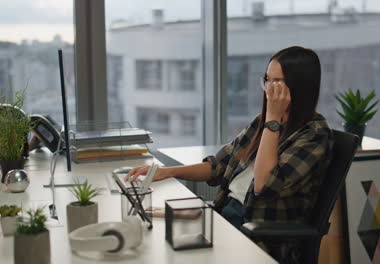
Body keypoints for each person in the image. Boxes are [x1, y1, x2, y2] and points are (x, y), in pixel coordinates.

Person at [126, 46, 334, 263]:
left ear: (299, 87)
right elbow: (219, 166)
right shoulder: (262, 123)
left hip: (259, 233)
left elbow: (264, 184)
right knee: (148, 241)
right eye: (267, 80)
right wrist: (168, 172)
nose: (269, 89)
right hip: (226, 213)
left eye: (277, 82)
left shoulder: (314, 135)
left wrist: (272, 120)